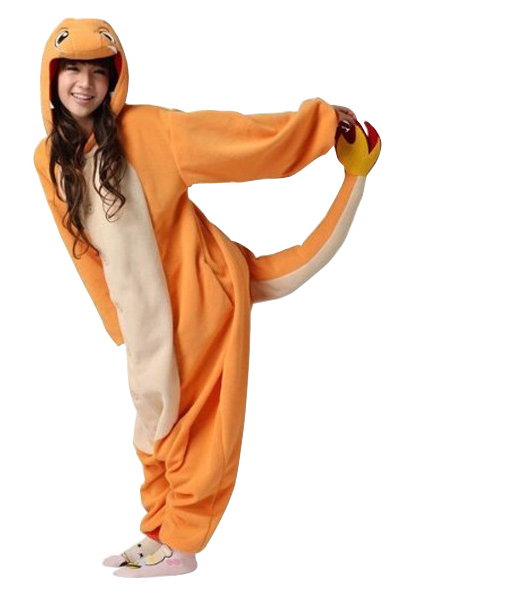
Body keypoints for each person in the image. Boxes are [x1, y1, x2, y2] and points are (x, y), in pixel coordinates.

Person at [34, 17, 380, 579]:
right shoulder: (47, 158)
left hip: (198, 300)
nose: (84, 83)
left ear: (115, 79)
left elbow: (239, 140)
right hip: (143, 318)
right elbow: (79, 246)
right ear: (51, 76)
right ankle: (157, 531)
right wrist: (117, 321)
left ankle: (183, 543)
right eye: (72, 68)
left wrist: (317, 125)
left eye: (98, 72)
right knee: (152, 425)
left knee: (191, 429)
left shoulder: (152, 130)